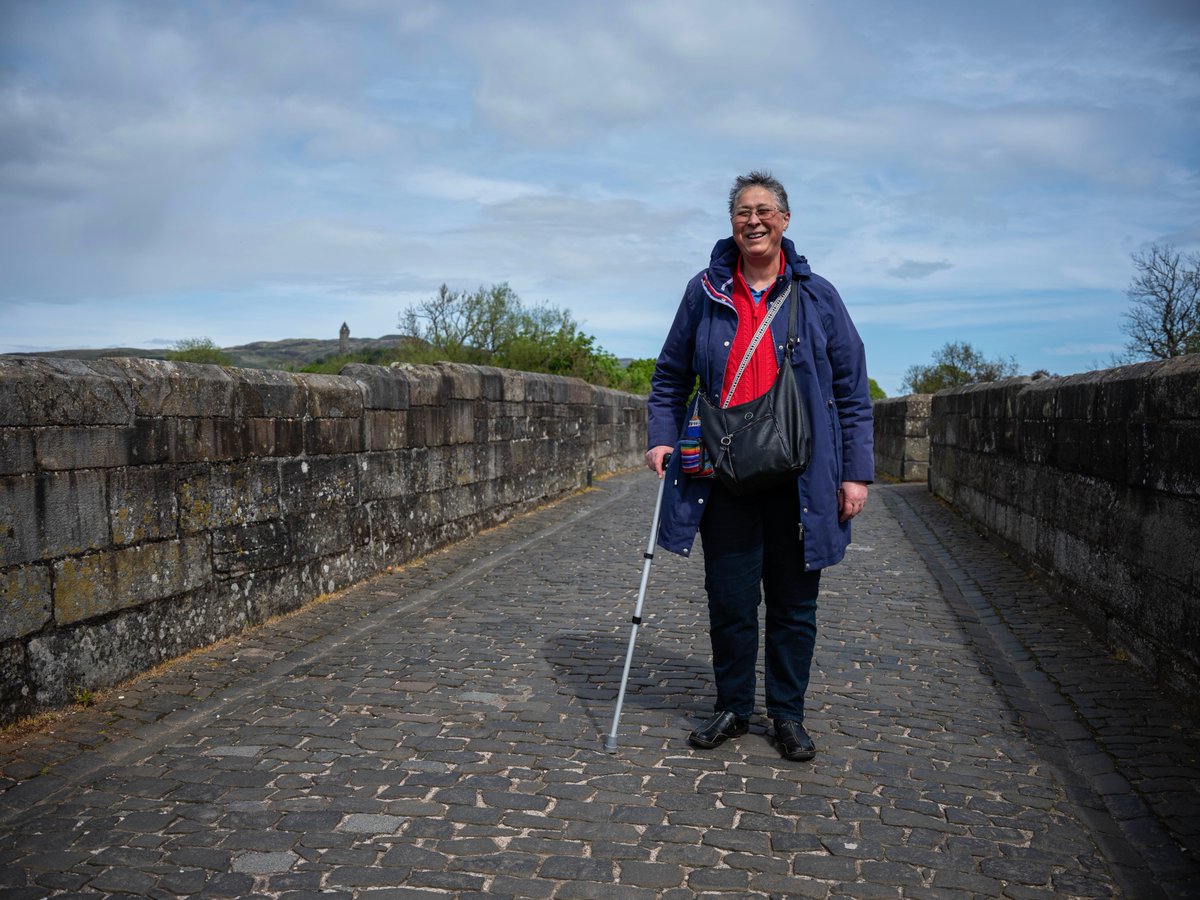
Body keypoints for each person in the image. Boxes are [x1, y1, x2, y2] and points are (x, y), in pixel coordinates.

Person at [645, 171, 873, 762]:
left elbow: (850, 392)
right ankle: (733, 706)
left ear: (785, 220)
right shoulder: (704, 292)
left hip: (800, 477)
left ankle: (788, 716)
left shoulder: (818, 296)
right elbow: (670, 376)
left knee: (795, 604)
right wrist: (661, 439)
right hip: (723, 475)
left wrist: (855, 474)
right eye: (743, 211)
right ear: (732, 224)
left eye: (765, 210)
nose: (754, 220)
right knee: (729, 597)